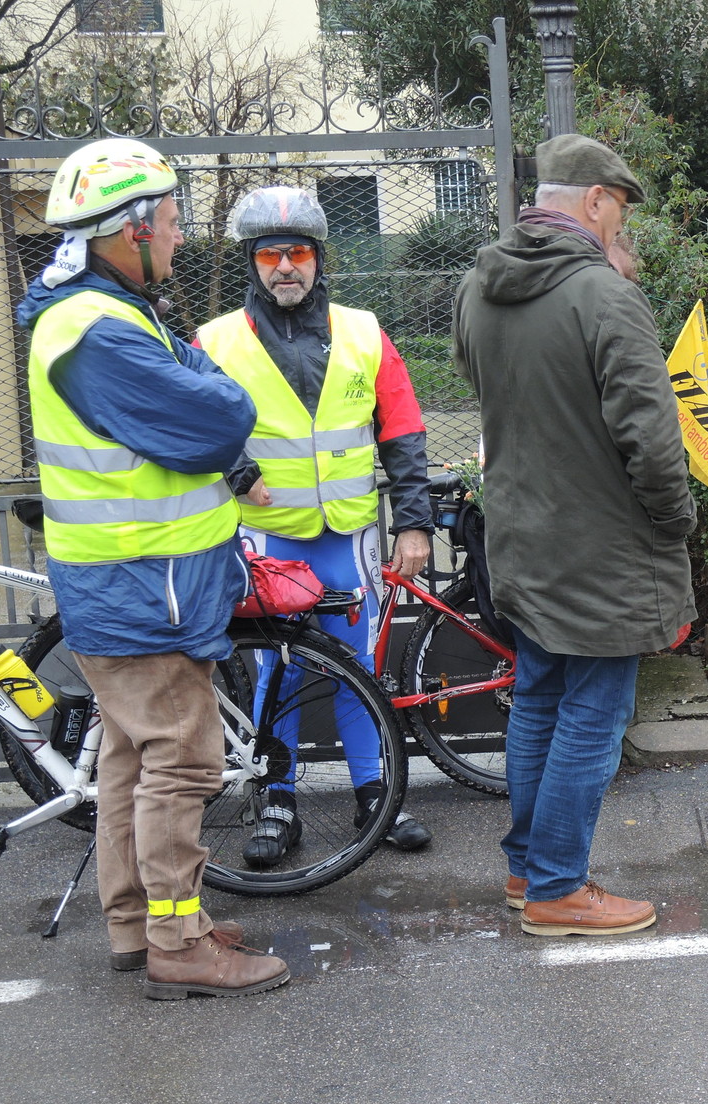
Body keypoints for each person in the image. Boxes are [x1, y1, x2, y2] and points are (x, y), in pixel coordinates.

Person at [16, 138, 287, 998]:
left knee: (130, 759)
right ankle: (179, 941)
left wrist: (197, 374)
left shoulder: (105, 311)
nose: (178, 238)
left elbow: (201, 397)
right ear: (129, 232)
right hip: (144, 587)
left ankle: (138, 925)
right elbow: (218, 415)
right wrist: (212, 389)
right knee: (182, 760)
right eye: (170, 224)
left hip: (131, 584)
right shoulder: (99, 331)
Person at [452, 134, 695, 936]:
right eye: (619, 211)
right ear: (594, 200)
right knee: (592, 715)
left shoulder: (477, 290)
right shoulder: (604, 296)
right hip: (601, 550)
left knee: (538, 703)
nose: (620, 229)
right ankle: (558, 887)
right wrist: (674, 523)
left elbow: (486, 390)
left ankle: (528, 871)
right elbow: (654, 444)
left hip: (520, 540)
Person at [196, 186, 435, 865]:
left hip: (346, 536)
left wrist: (414, 524)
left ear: (318, 258)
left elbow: (405, 430)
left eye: (297, 252)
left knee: (360, 668)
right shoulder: (213, 341)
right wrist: (238, 470)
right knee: (276, 673)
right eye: (269, 254)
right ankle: (276, 803)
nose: (284, 267)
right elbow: (187, 419)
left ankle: (376, 796)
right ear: (252, 263)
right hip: (269, 540)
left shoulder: (365, 331)